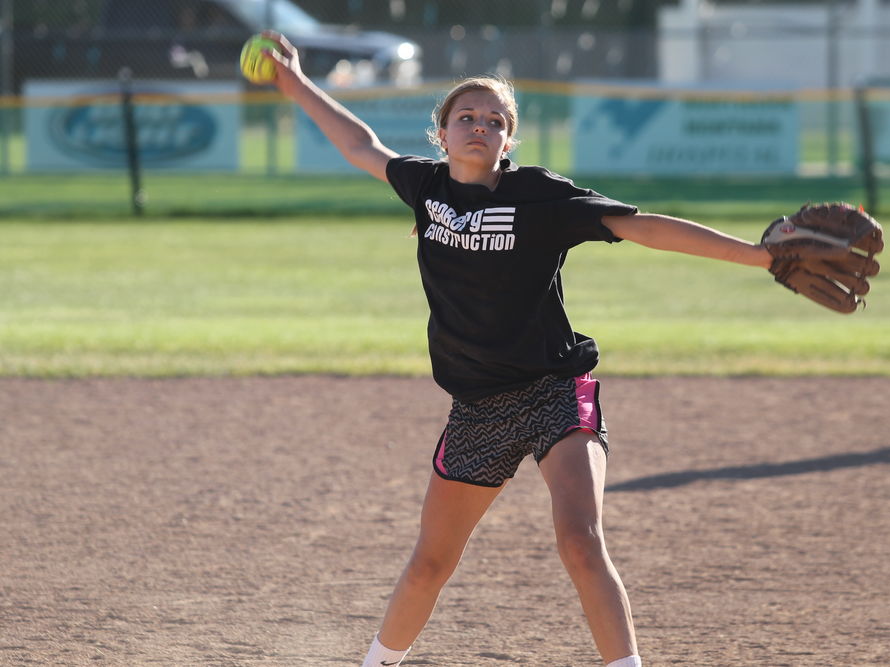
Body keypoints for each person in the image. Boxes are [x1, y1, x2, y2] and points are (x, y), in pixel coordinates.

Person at [258, 30, 774, 667]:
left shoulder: (539, 197)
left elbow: (643, 227)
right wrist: (297, 83)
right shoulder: (425, 188)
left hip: (555, 388)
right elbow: (361, 145)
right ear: (441, 133)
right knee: (429, 563)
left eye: (495, 120)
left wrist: (757, 256)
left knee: (580, 542)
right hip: (476, 403)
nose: (479, 126)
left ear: (510, 139)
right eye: (465, 117)